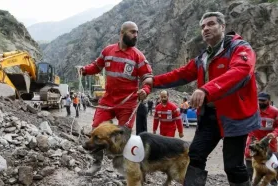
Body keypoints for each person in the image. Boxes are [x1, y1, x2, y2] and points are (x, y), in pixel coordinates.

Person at [143, 12, 260, 186]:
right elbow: (182, 73)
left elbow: (240, 71)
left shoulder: (240, 48)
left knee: (233, 166)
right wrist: (154, 81)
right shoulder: (204, 57)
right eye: (203, 26)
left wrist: (206, 89)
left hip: (235, 116)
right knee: (195, 156)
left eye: (211, 24)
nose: (205, 29)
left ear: (222, 26)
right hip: (209, 115)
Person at [79, 21, 153, 175]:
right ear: (122, 33)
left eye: (137, 32)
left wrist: (145, 90)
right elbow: (97, 66)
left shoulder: (138, 56)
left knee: (123, 135)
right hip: (108, 100)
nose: (136, 35)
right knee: (96, 129)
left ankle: (120, 169)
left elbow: (147, 77)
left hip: (128, 103)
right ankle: (96, 164)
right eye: (132, 32)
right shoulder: (108, 51)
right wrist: (85, 70)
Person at [245, 92, 278, 185]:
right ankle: (248, 181)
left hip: (269, 140)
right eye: (259, 100)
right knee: (248, 157)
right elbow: (246, 122)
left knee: (271, 160)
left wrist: (274, 134)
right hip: (253, 138)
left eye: (263, 101)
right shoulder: (252, 109)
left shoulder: (275, 112)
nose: (260, 102)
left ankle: (273, 182)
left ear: (269, 101)